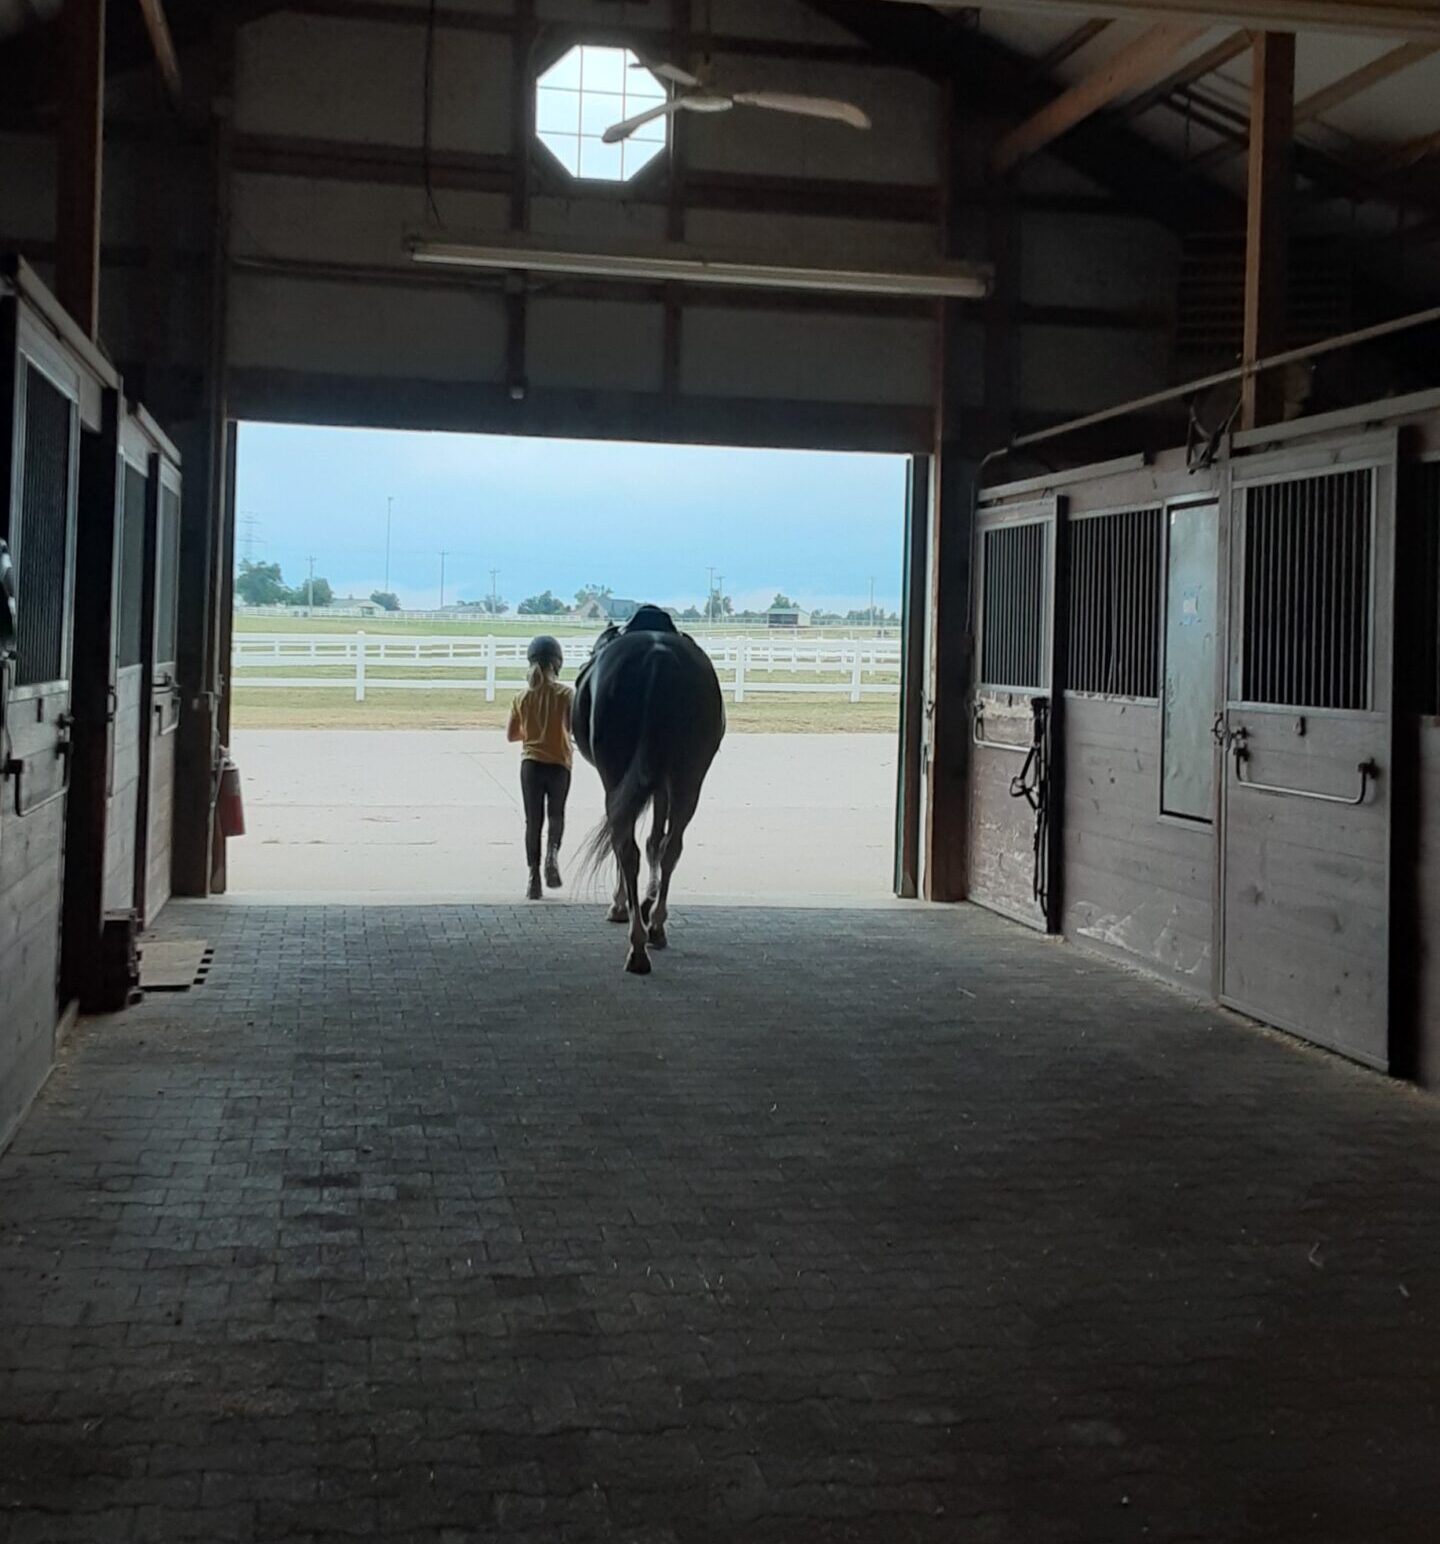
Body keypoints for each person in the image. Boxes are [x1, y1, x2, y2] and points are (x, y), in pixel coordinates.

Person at [507, 635, 573, 900]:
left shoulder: (522, 697)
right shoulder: (566, 694)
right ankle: (552, 855)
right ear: (557, 663)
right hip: (559, 764)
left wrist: (533, 733)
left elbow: (512, 735)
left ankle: (533, 878)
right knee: (556, 815)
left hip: (530, 765)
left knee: (532, 822)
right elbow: (570, 728)